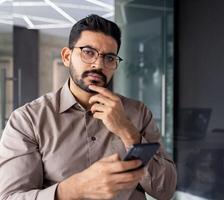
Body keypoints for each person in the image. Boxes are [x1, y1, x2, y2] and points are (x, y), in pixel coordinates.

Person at [0, 14, 177, 200]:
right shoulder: (28, 120)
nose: (98, 64)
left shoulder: (138, 113)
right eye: (88, 52)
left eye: (109, 58)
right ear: (67, 57)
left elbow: (165, 190)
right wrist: (75, 189)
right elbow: (11, 197)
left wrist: (127, 131)